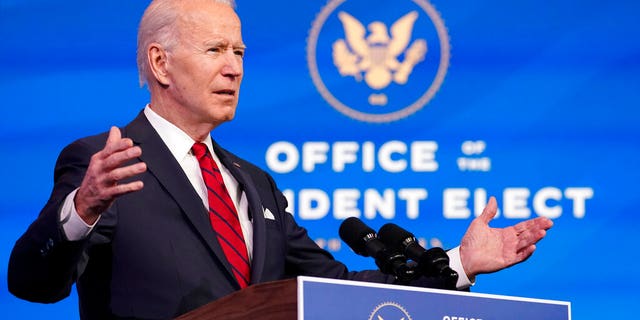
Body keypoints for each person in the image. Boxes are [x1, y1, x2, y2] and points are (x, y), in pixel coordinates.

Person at [7, 0, 553, 318]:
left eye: (240, 52)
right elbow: (34, 283)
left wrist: (460, 263)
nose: (235, 68)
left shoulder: (255, 184)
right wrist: (81, 210)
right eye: (216, 51)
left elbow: (333, 290)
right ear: (161, 63)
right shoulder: (108, 165)